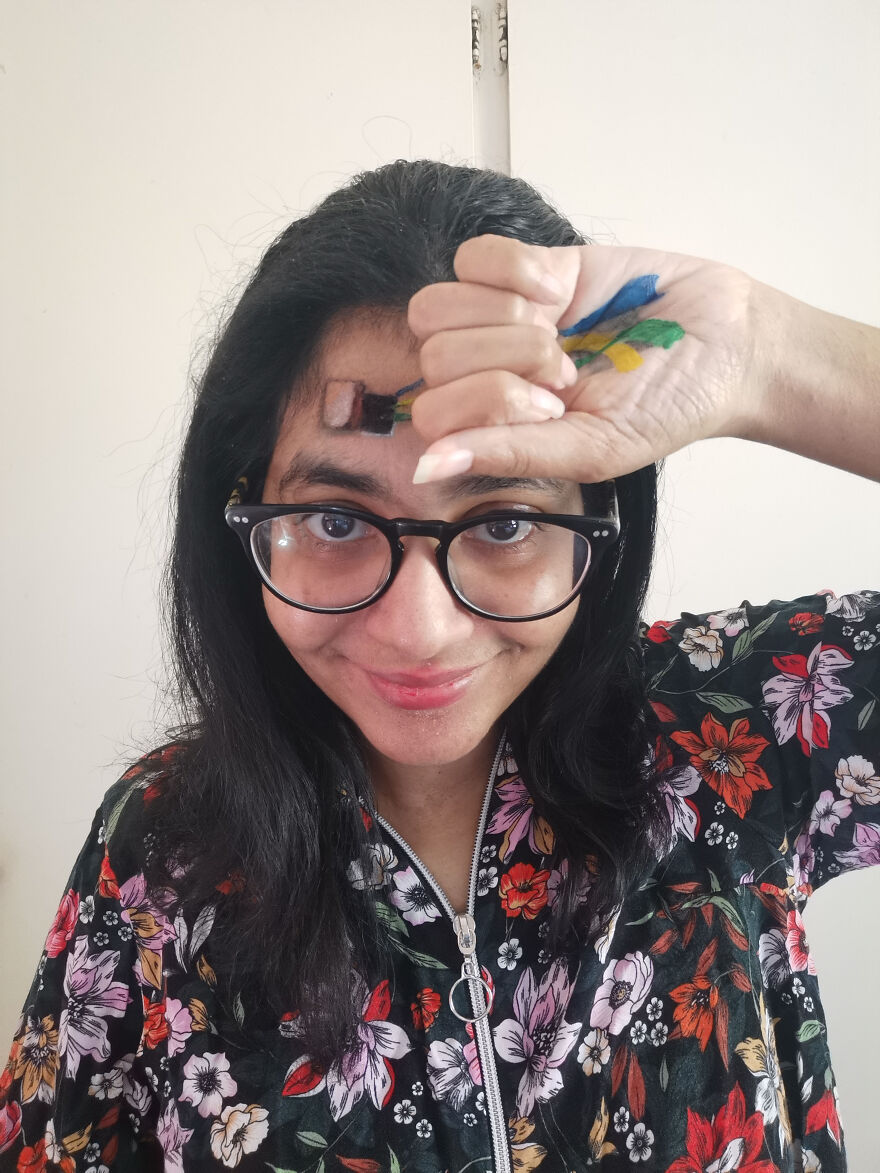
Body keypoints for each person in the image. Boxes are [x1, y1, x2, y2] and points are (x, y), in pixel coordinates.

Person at [2, 159, 878, 1173]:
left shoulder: (740, 727)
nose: (417, 630)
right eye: (334, 520)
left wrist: (766, 356)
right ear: (241, 516)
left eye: (504, 521)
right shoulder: (161, 845)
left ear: (598, 520)